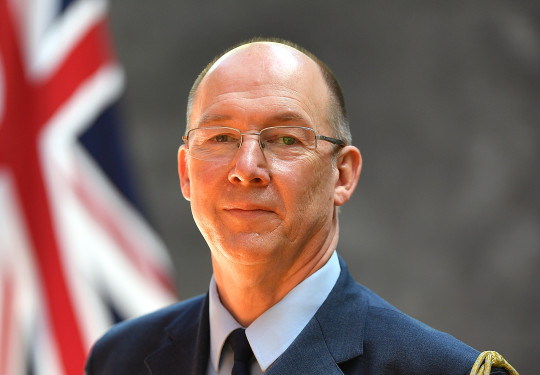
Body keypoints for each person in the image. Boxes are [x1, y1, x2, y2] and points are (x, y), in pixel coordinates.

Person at [85, 38, 517, 375]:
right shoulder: (119, 359)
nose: (246, 168)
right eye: (219, 137)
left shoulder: (438, 370)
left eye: (285, 139)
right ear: (185, 172)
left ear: (342, 175)